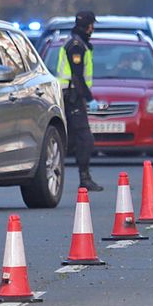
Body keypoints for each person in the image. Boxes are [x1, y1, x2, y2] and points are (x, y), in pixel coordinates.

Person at [56, 10, 103, 192]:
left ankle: (82, 176)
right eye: (92, 25)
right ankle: (85, 178)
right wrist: (89, 98)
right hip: (72, 96)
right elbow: (77, 76)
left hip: (73, 95)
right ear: (88, 26)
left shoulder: (80, 43)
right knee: (85, 138)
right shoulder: (76, 45)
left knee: (76, 138)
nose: (93, 29)